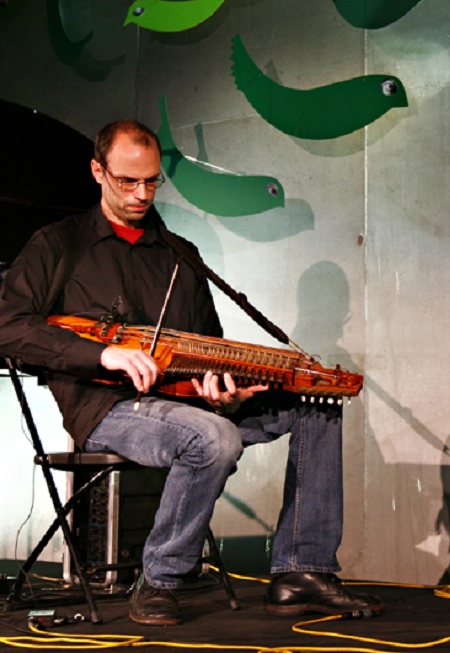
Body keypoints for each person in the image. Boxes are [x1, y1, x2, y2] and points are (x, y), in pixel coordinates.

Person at [0, 120, 382, 626]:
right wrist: (103, 355)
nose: (141, 194)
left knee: (314, 406)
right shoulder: (59, 244)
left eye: (152, 181)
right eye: (127, 181)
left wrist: (223, 390)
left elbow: (209, 351)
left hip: (186, 406)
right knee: (214, 437)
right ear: (98, 171)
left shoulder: (181, 255)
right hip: (107, 409)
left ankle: (300, 571)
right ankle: (158, 579)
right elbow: (8, 325)